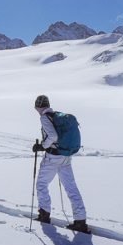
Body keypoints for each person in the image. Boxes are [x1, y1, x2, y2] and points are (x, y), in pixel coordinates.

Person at [32, 94, 90, 233]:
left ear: (38, 106)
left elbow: (53, 136)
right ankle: (80, 221)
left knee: (41, 184)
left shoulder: (45, 118)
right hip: (66, 156)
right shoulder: (56, 116)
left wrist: (42, 146)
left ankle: (44, 215)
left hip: (53, 157)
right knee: (71, 187)